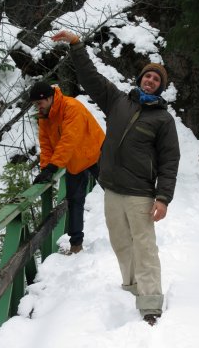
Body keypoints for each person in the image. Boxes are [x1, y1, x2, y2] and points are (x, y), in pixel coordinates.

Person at [51, 30, 180, 326]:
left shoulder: (163, 120)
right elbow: (90, 77)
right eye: (147, 76)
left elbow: (170, 161)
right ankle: (133, 286)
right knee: (121, 244)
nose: (150, 81)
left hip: (140, 193)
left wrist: (163, 197)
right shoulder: (117, 101)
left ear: (160, 88)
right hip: (112, 191)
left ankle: (150, 303)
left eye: (156, 80)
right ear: (140, 79)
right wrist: (76, 45)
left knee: (144, 246)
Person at [29, 81, 105, 255]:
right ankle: (76, 245)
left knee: (115, 191)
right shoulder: (44, 117)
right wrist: (45, 169)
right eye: (35, 105)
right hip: (74, 161)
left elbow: (68, 140)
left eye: (39, 103)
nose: (37, 107)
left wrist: (54, 166)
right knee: (75, 201)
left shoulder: (71, 107)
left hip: (96, 153)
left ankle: (131, 227)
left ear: (49, 98)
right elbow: (46, 145)